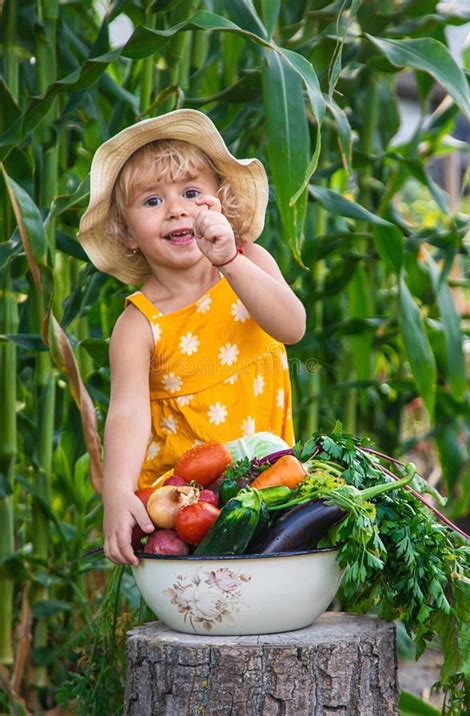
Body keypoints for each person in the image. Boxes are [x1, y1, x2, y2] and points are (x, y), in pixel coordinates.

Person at [78, 109, 306, 565]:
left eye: (190, 193)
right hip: (184, 509)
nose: (177, 208)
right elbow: (127, 411)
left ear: (221, 205)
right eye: (152, 201)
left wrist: (230, 261)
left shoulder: (250, 263)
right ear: (127, 232)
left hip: (271, 482)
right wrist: (117, 494)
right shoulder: (139, 323)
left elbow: (292, 327)